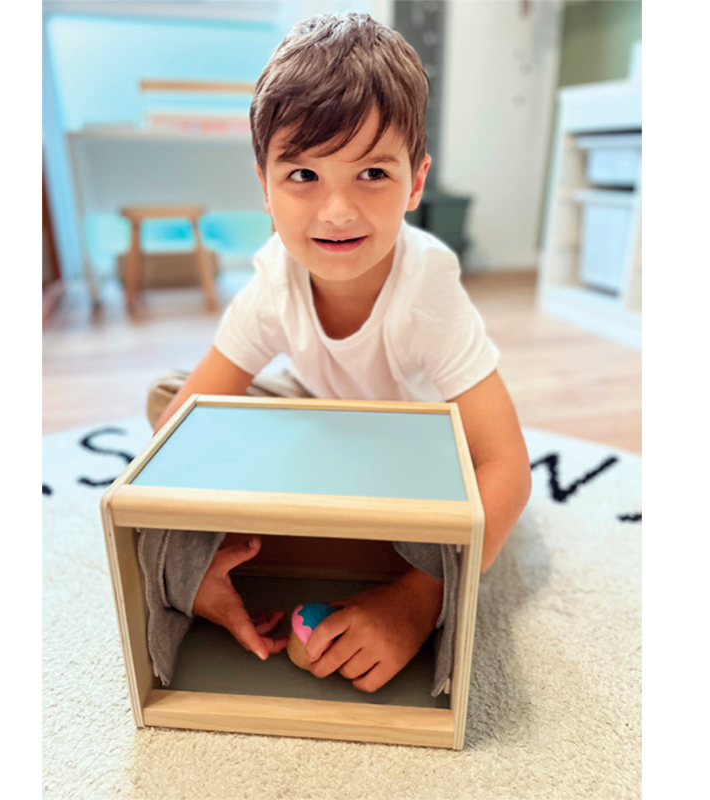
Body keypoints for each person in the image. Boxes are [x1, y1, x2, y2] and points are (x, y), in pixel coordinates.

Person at [137, 12, 531, 697]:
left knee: (475, 478)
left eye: (372, 172)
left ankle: (385, 551)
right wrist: (194, 564)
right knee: (166, 397)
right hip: (324, 417)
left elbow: (509, 467)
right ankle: (283, 528)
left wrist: (419, 600)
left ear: (415, 183)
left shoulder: (427, 288)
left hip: (411, 443)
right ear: (264, 186)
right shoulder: (273, 279)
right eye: (304, 175)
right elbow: (184, 420)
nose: (338, 211)